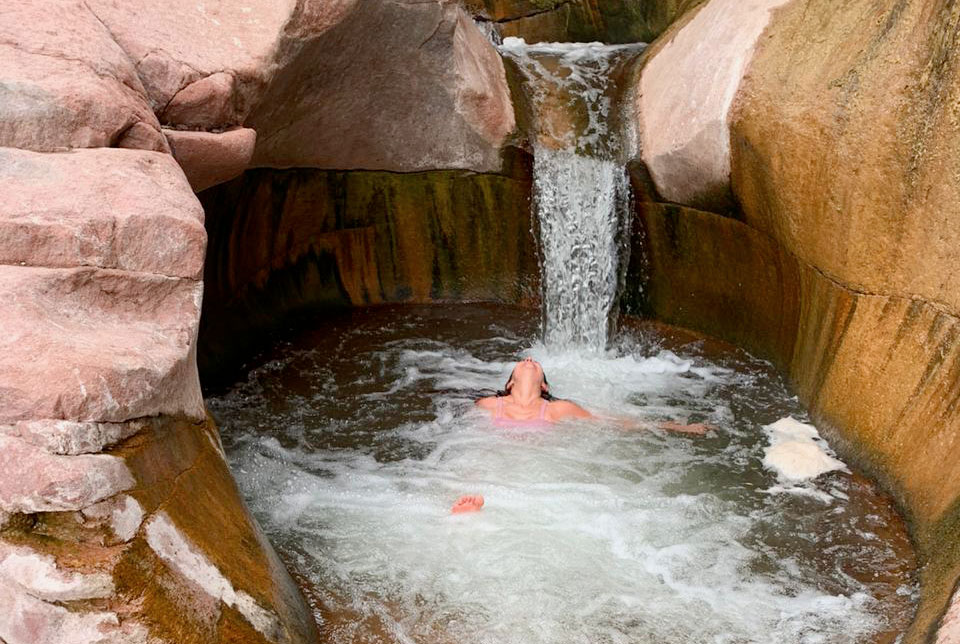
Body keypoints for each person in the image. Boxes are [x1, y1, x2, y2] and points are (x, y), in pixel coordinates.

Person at [452, 357, 711, 514]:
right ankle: (468, 510)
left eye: (535, 363)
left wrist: (677, 427)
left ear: (544, 386)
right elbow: (461, 439)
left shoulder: (558, 409)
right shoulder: (487, 405)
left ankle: (477, 509)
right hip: (496, 457)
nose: (529, 359)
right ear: (509, 384)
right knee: (476, 466)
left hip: (534, 465)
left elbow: (612, 423)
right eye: (522, 362)